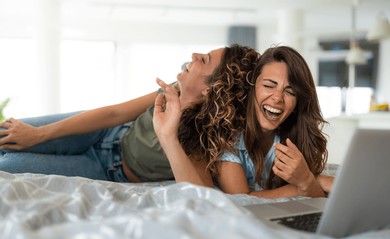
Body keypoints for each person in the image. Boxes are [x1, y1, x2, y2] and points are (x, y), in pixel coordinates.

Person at [0, 44, 260, 183]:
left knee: (6, 166)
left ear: (210, 89)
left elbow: (202, 192)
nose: (194, 55)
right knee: (5, 134)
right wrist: (37, 135)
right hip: (102, 133)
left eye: (203, 60)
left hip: (109, 170)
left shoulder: (204, 141)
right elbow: (115, 113)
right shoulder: (173, 89)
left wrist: (170, 135)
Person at [154, 45, 333, 198]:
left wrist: (307, 182)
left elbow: (315, 197)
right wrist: (308, 182)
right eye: (269, 86)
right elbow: (240, 200)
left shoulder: (295, 137)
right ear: (252, 88)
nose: (278, 97)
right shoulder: (227, 135)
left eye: (290, 91)